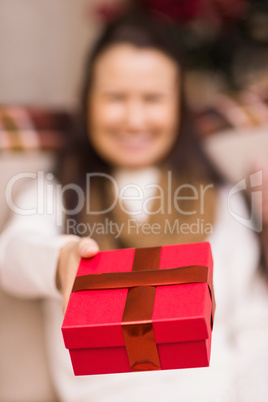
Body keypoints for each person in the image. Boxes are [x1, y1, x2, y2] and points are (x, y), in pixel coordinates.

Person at [1, 9, 268, 402]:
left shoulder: (218, 197)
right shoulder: (56, 192)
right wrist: (60, 262)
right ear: (88, 101)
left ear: (178, 107)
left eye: (153, 99)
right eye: (115, 97)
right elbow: (12, 255)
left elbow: (251, 322)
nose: (134, 118)